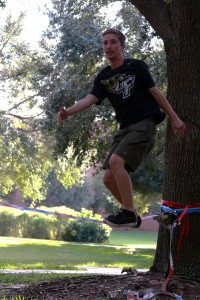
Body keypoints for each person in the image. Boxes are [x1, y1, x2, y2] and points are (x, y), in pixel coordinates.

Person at [58, 28, 186, 228]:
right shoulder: (103, 76)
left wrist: (174, 117)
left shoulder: (135, 66)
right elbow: (91, 99)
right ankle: (133, 214)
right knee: (108, 177)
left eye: (112, 42)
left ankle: (127, 213)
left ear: (122, 45)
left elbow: (155, 92)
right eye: (105, 43)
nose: (108, 46)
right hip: (124, 129)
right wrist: (69, 112)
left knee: (117, 162)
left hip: (144, 124)